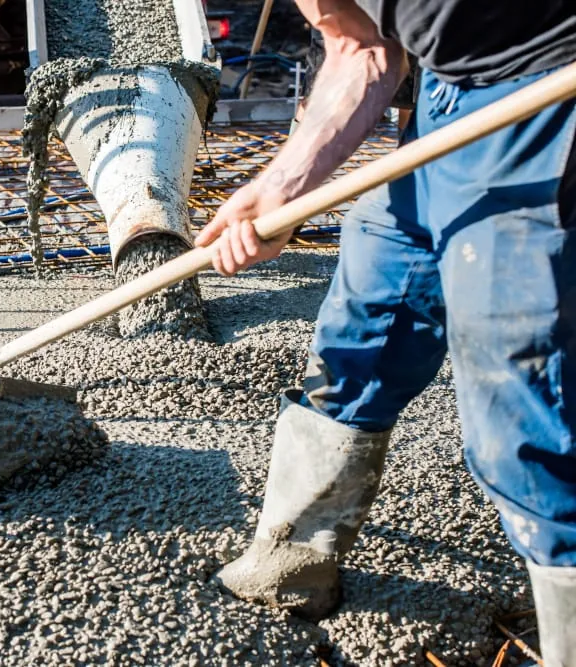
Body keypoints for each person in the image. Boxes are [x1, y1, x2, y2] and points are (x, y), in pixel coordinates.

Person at [195, 1, 576, 664]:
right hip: (448, 94)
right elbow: (360, 44)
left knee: (520, 392)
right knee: (373, 305)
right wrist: (282, 185)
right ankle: (293, 555)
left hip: (549, 93)